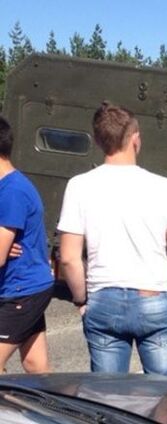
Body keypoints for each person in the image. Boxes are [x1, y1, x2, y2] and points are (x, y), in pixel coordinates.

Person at [57, 102, 167, 378]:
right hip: (155, 297)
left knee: (108, 399)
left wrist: (81, 301)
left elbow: (70, 258)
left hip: (103, 300)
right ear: (135, 139)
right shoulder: (165, 188)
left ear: (97, 141)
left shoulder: (79, 186)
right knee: (165, 398)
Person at [0, 115, 54, 374]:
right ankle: (58, 412)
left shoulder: (13, 192)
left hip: (21, 290)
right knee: (36, 365)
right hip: (24, 286)